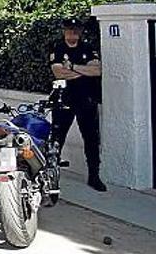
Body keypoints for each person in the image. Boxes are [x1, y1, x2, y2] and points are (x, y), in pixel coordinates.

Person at [49, 18, 106, 192]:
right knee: (57, 138)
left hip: (86, 100)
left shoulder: (87, 48)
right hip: (63, 99)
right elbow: (58, 72)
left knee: (91, 139)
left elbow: (97, 70)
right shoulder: (57, 47)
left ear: (80, 32)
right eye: (69, 30)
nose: (72, 33)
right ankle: (51, 175)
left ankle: (94, 176)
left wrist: (72, 67)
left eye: (75, 30)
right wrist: (83, 71)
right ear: (64, 31)